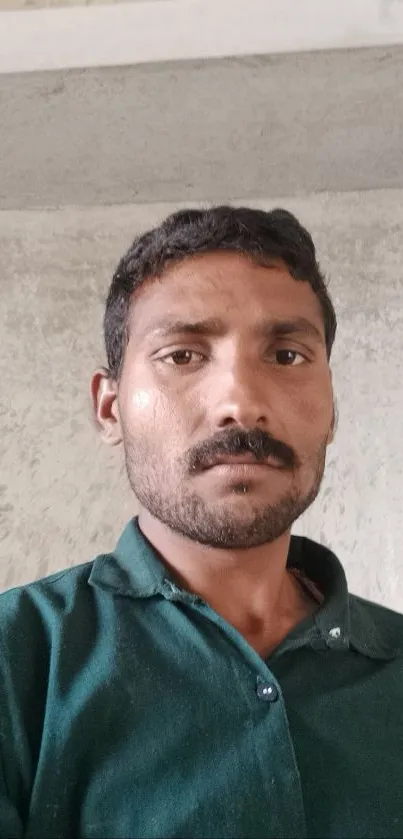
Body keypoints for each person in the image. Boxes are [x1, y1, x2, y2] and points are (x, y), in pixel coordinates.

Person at [0, 206, 402, 839]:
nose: (240, 402)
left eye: (288, 355)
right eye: (183, 354)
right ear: (110, 409)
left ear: (331, 411)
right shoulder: (14, 659)